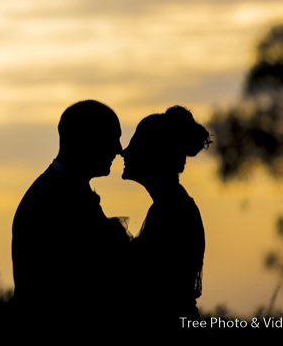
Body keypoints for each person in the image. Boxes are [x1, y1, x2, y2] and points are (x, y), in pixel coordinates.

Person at [11, 100, 130, 331]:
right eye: (111, 137)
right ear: (84, 138)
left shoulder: (64, 191)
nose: (118, 149)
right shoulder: (48, 200)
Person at [121, 105, 210, 328]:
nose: (124, 152)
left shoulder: (173, 212)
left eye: (136, 145)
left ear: (154, 156)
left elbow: (154, 290)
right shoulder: (169, 207)